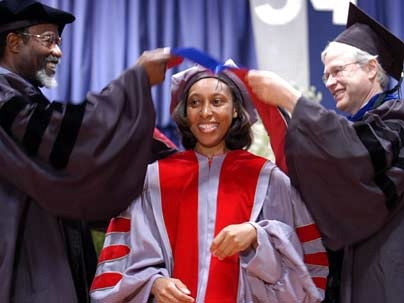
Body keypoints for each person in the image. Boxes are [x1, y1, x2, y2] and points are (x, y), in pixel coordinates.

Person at [90, 63, 329, 303]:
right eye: (195, 103)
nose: (205, 112)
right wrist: (154, 282)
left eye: (217, 101)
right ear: (185, 112)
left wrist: (257, 235)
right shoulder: (155, 178)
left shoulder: (266, 177)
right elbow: (122, 261)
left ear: (236, 109)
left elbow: (305, 264)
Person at [0, 1, 178, 302]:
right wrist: (136, 79)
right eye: (49, 40)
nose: (58, 52)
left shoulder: (25, 100)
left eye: (59, 41)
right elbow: (72, 142)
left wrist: (174, 161)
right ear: (15, 42)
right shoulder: (5, 100)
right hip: (22, 261)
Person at [246, 3, 404, 303]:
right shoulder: (358, 126)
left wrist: (292, 99)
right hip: (353, 271)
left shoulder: (397, 117)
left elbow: (356, 153)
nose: (330, 82)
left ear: (371, 68)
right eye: (326, 75)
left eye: (337, 71)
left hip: (388, 269)